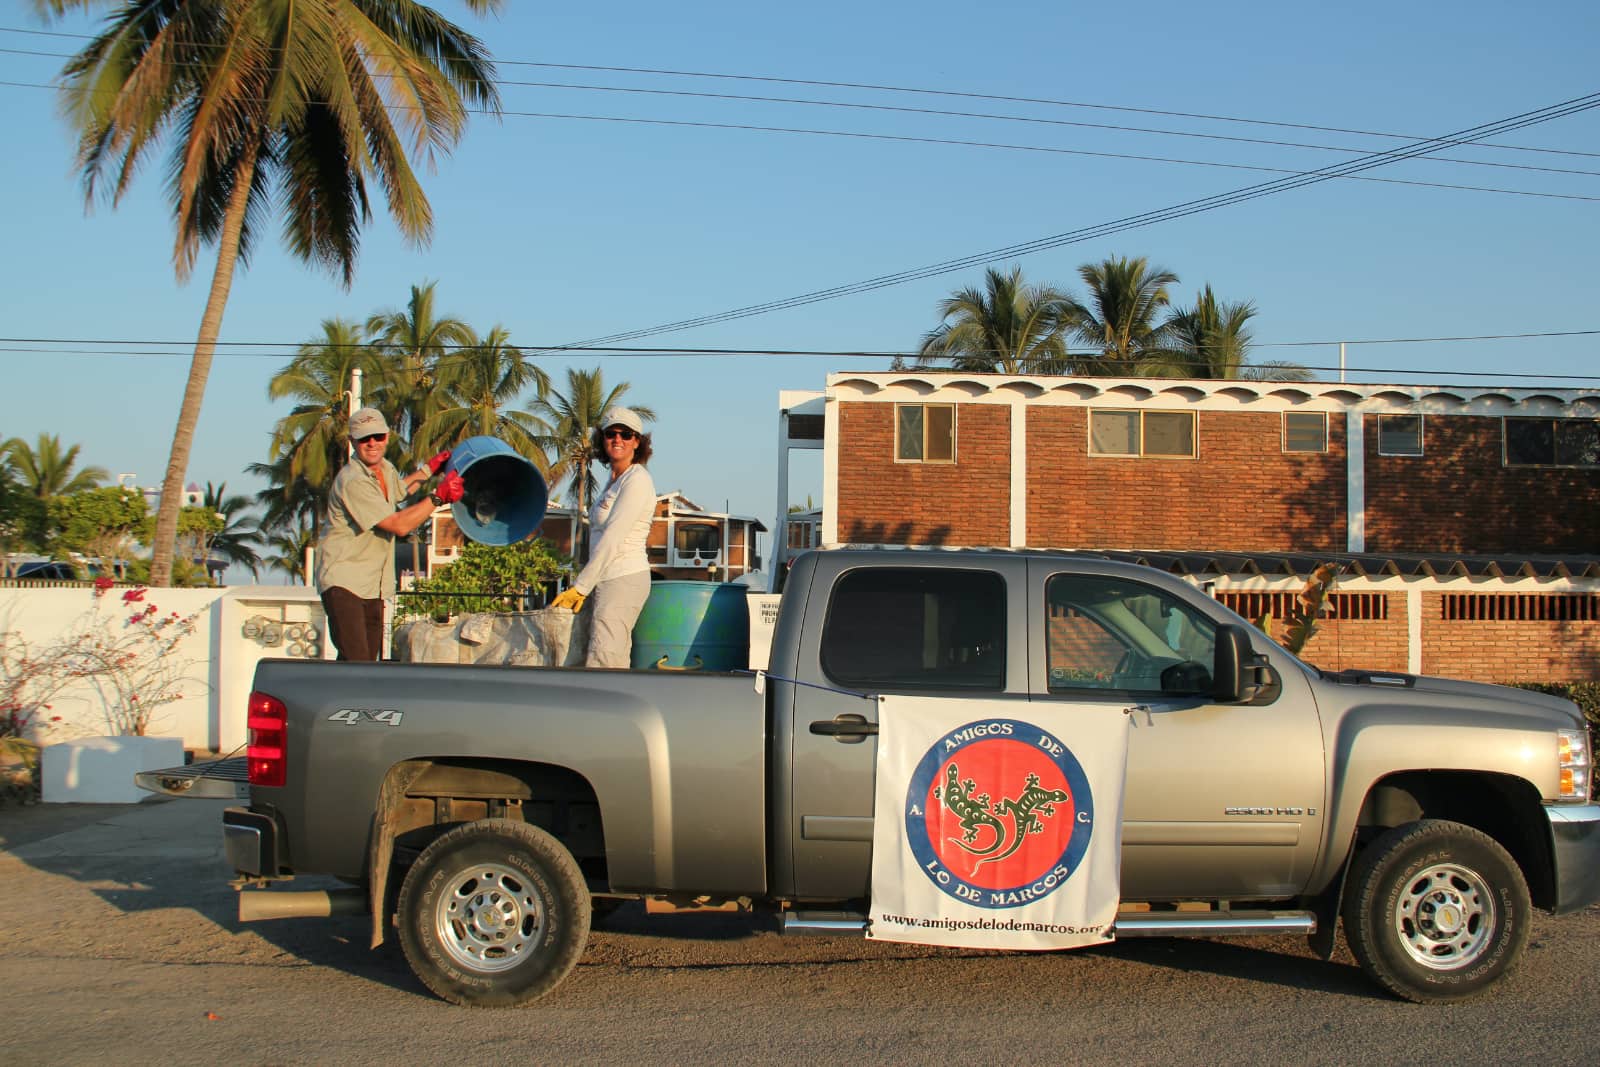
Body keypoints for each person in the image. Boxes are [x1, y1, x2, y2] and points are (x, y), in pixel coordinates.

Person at [316, 407, 464, 661]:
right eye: (364, 438)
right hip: (344, 583)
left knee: (364, 660)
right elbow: (399, 524)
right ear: (352, 442)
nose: (371, 443)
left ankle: (346, 699)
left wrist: (429, 470)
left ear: (386, 436)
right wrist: (439, 496)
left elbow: (398, 491)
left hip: (372, 585)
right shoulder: (353, 481)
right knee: (358, 661)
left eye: (377, 436)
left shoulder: (383, 468)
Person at [551, 406, 656, 667]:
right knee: (601, 653)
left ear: (637, 442)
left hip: (624, 576)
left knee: (604, 656)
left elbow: (613, 538)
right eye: (611, 434)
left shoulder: (637, 480)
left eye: (626, 434)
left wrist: (580, 587)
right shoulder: (615, 481)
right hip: (605, 577)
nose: (617, 439)